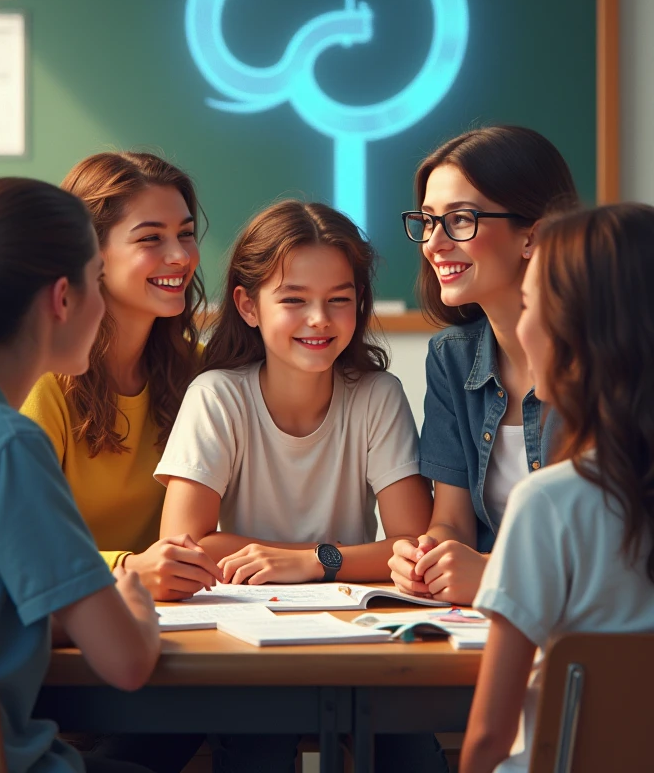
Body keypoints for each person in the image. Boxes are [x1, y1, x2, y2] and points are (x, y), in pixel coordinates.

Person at [156, 199, 442, 773]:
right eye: (294, 300)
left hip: (353, 640)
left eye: (340, 299)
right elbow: (185, 552)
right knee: (257, 745)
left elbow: (415, 550)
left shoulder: (377, 395)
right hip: (238, 647)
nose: (320, 319)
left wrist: (313, 562)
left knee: (412, 754)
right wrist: (340, 558)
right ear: (248, 305)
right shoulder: (218, 396)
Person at [0, 176, 162, 773]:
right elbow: (126, 663)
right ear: (63, 298)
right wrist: (139, 612)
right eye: (97, 279)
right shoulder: (8, 445)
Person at [460, 202, 654, 772]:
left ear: (575, 333)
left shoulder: (551, 502)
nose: (519, 327)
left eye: (528, 304)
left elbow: (488, 740)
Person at [389, 126, 578, 605]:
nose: (434, 243)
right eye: (428, 221)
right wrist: (429, 556)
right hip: (487, 620)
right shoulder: (451, 357)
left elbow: (617, 551)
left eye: (460, 220)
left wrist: (495, 573)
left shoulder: (612, 361)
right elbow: (453, 520)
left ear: (532, 236)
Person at [21, 152, 219, 601]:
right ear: (91, 254)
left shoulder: (201, 372)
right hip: (68, 616)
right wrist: (126, 567)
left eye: (185, 234)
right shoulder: (40, 379)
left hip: (167, 616)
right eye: (151, 238)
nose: (180, 256)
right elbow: (17, 544)